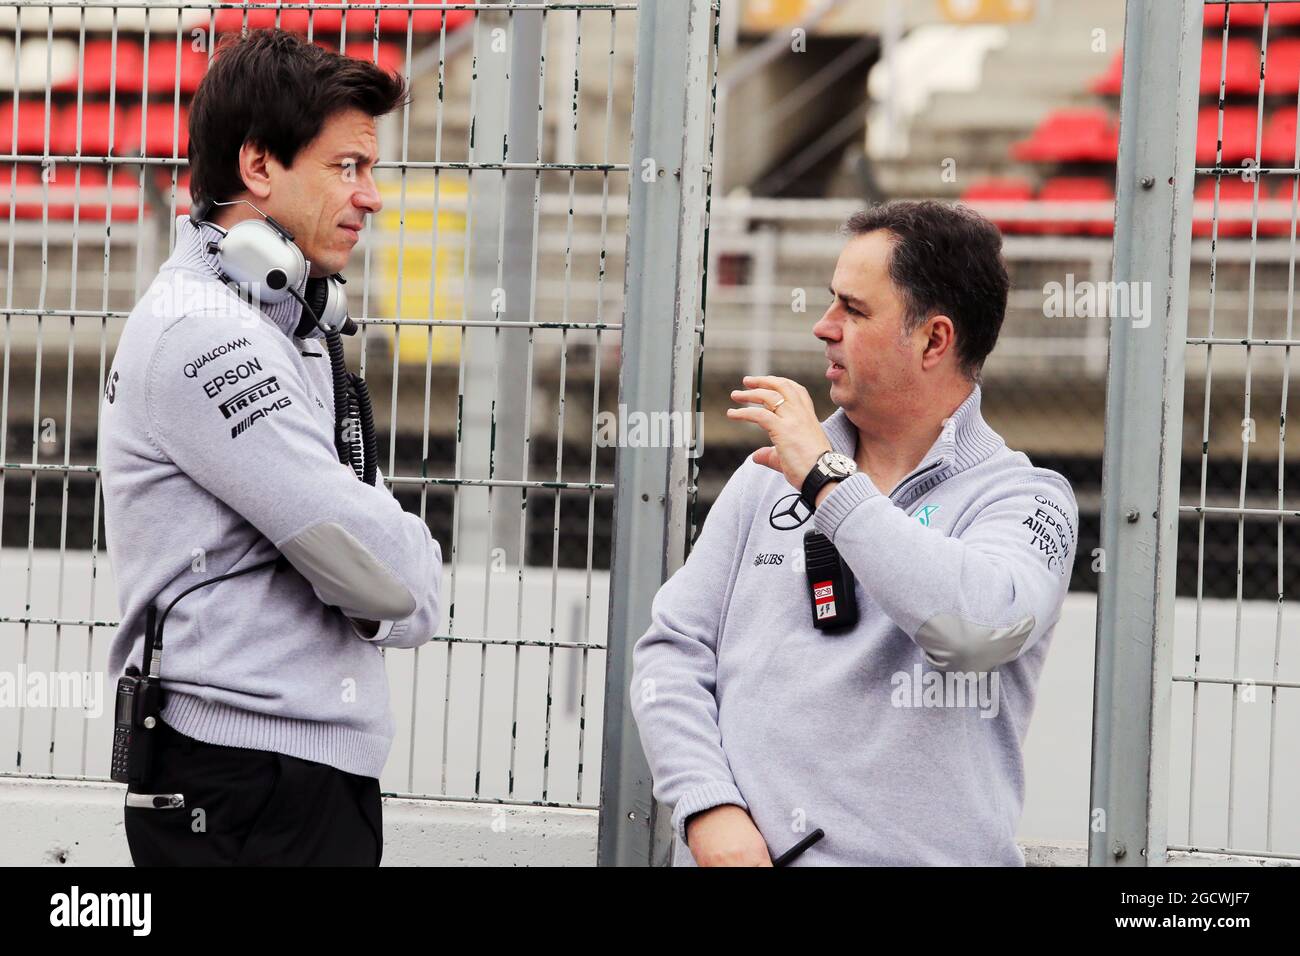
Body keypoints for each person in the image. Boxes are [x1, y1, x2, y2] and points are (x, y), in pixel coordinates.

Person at [630, 200, 1079, 866]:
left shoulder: (1026, 500)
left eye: (854, 310)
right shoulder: (768, 475)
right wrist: (708, 809)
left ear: (934, 340)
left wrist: (826, 481)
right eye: (829, 303)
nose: (823, 327)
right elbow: (671, 652)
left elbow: (975, 632)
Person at [100, 30, 442, 866]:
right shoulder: (207, 332)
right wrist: (420, 575)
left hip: (277, 781)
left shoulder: (275, 318)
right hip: (248, 787)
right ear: (258, 168)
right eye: (347, 167)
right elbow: (380, 574)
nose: (373, 196)